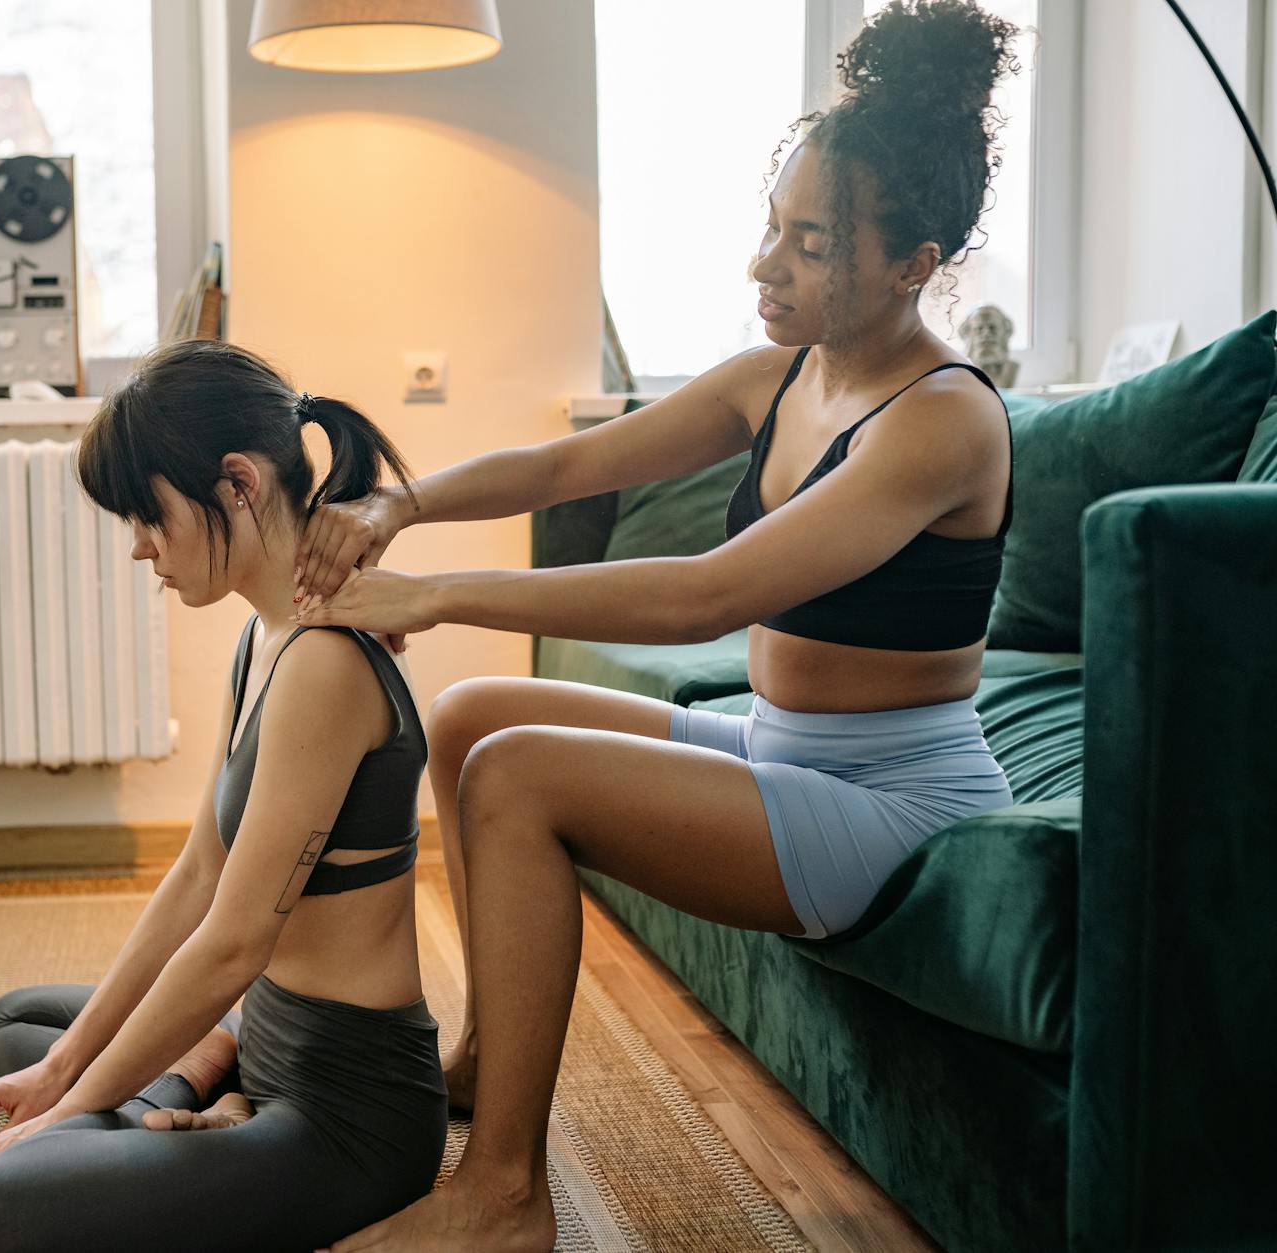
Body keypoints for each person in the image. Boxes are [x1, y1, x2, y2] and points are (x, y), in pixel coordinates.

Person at [290, 3, 1024, 1248]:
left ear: (914, 262)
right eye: (770, 229)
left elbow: (705, 592)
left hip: (896, 806)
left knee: (518, 775)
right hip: (783, 749)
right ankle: (478, 1058)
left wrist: (437, 593)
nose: (764, 267)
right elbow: (559, 467)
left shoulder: (941, 419)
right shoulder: (776, 376)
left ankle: (501, 1198)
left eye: (809, 243)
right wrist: (398, 502)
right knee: (471, 717)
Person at [0, 338, 449, 1253]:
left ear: (237, 484)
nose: (139, 548)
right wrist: (58, 1072)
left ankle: (190, 1097)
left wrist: (60, 1115)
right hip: (265, 1040)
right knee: (22, 1029)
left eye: (151, 516)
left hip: (345, 1116)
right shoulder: (266, 638)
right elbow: (201, 870)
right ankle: (202, 1078)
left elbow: (235, 938)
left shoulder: (323, 663)